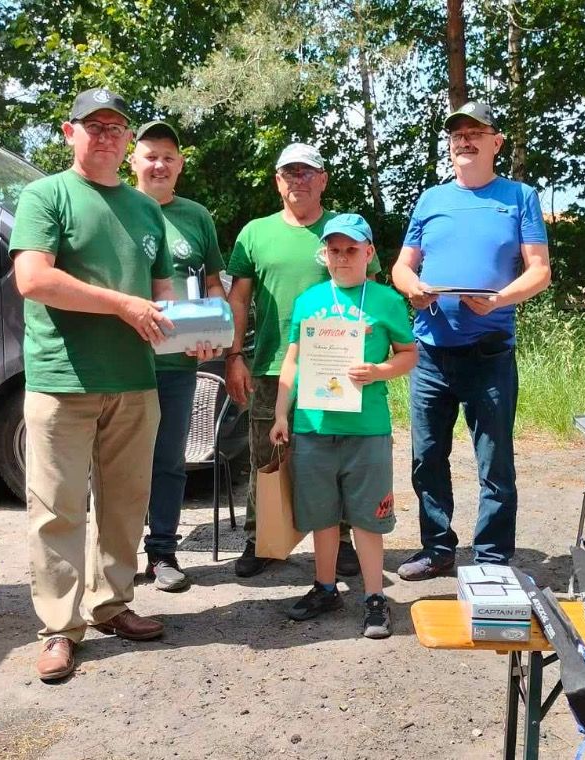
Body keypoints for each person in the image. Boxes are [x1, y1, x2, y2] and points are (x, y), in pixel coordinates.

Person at [10, 88, 199, 682]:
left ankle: (112, 605)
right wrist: (121, 304)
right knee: (57, 510)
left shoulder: (146, 211)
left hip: (135, 382)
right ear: (71, 133)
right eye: (95, 125)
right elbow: (33, 279)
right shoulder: (46, 195)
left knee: (124, 504)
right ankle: (59, 629)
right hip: (62, 379)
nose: (108, 135)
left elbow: (163, 299)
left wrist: (198, 333)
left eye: (117, 126)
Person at [391, 101, 551, 579]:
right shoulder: (431, 199)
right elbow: (402, 265)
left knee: (495, 463)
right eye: (457, 134)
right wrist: (411, 288)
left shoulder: (520, 197)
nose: (464, 140)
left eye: (475, 132)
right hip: (430, 354)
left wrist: (500, 299)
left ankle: (493, 559)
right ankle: (438, 550)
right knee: (426, 458)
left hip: (489, 355)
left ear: (495, 142)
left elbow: (539, 271)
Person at [225, 142, 381, 577]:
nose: (299, 180)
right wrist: (234, 354)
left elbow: (368, 291)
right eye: (290, 173)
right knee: (265, 456)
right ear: (278, 182)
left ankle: (343, 540)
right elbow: (239, 298)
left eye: (308, 172)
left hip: (335, 365)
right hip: (273, 365)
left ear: (323, 179)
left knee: (337, 454)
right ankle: (263, 540)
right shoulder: (255, 233)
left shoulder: (345, 229)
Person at [270, 214, 416, 638]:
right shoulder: (310, 299)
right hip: (313, 425)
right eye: (334, 250)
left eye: (351, 250)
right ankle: (326, 586)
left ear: (368, 252)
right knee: (322, 515)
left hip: (367, 429)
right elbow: (293, 361)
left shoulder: (386, 300)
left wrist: (380, 371)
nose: (341, 258)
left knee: (368, 519)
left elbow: (409, 354)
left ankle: (374, 598)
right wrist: (282, 412)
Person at [130, 120, 226, 592]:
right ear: (133, 161)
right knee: (118, 463)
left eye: (168, 157)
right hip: (121, 361)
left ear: (180, 165)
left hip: (176, 365)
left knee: (168, 460)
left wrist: (213, 332)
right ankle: (117, 555)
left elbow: (212, 286)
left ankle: (163, 553)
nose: (159, 165)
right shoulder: (117, 208)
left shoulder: (197, 217)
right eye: (150, 155)